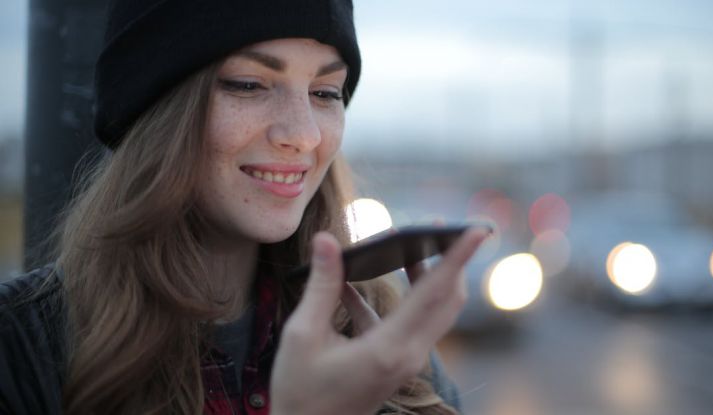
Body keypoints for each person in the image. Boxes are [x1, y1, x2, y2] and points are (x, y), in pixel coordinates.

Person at [0, 0, 489, 414]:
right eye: (249, 85)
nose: (303, 134)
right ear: (155, 110)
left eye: (325, 93)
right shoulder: (20, 346)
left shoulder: (377, 338)